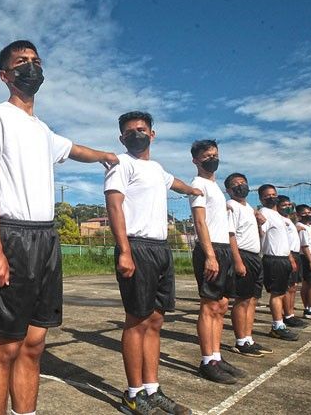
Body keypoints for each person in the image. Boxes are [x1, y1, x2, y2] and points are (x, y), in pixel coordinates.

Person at [0, 40, 118, 415]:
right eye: (21, 62)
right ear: (5, 75)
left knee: (35, 344)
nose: (31, 67)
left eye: (36, 61)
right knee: (3, 347)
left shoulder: (44, 131)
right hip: (12, 235)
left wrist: (103, 155)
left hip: (47, 239)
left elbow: (73, 149)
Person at [104, 111, 199, 415]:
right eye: (130, 131)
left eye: (141, 129)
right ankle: (133, 394)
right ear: (122, 138)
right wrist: (124, 250)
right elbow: (114, 205)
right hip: (137, 246)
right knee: (137, 320)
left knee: (155, 321)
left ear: (152, 134)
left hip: (161, 248)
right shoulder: (121, 164)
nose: (136, 134)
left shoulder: (157, 169)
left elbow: (177, 184)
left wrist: (196, 191)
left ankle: (152, 389)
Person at [188, 140, 245, 383]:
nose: (212, 159)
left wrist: (230, 257)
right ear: (196, 161)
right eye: (206, 156)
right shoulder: (198, 184)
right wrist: (209, 255)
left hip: (223, 249)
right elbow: (200, 222)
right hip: (209, 249)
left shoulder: (216, 188)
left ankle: (217, 356)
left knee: (222, 305)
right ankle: (206, 361)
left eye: (215, 154)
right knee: (209, 306)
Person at [224, 173, 272, 357]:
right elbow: (231, 235)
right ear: (228, 190)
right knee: (242, 299)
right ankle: (240, 340)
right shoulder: (231, 206)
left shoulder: (250, 208)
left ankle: (248, 337)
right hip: (242, 255)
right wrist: (237, 261)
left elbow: (258, 234)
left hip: (255, 256)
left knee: (253, 299)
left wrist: (260, 222)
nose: (240, 186)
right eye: (235, 184)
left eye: (243, 183)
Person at [257, 185, 299, 341]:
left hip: (284, 259)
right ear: (261, 198)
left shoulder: (278, 216)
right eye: (267, 195)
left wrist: (290, 259)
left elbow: (283, 242)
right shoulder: (264, 213)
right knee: (276, 294)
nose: (271, 197)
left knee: (282, 292)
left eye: (273, 194)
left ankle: (282, 322)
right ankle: (277, 326)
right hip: (272, 259)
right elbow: (261, 231)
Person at [278, 195, 306, 328]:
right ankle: (287, 315)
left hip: (295, 254)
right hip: (288, 254)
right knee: (287, 287)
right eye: (284, 205)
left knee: (293, 287)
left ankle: (291, 313)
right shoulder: (280, 220)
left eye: (289, 205)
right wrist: (290, 258)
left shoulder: (289, 220)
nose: (288, 207)